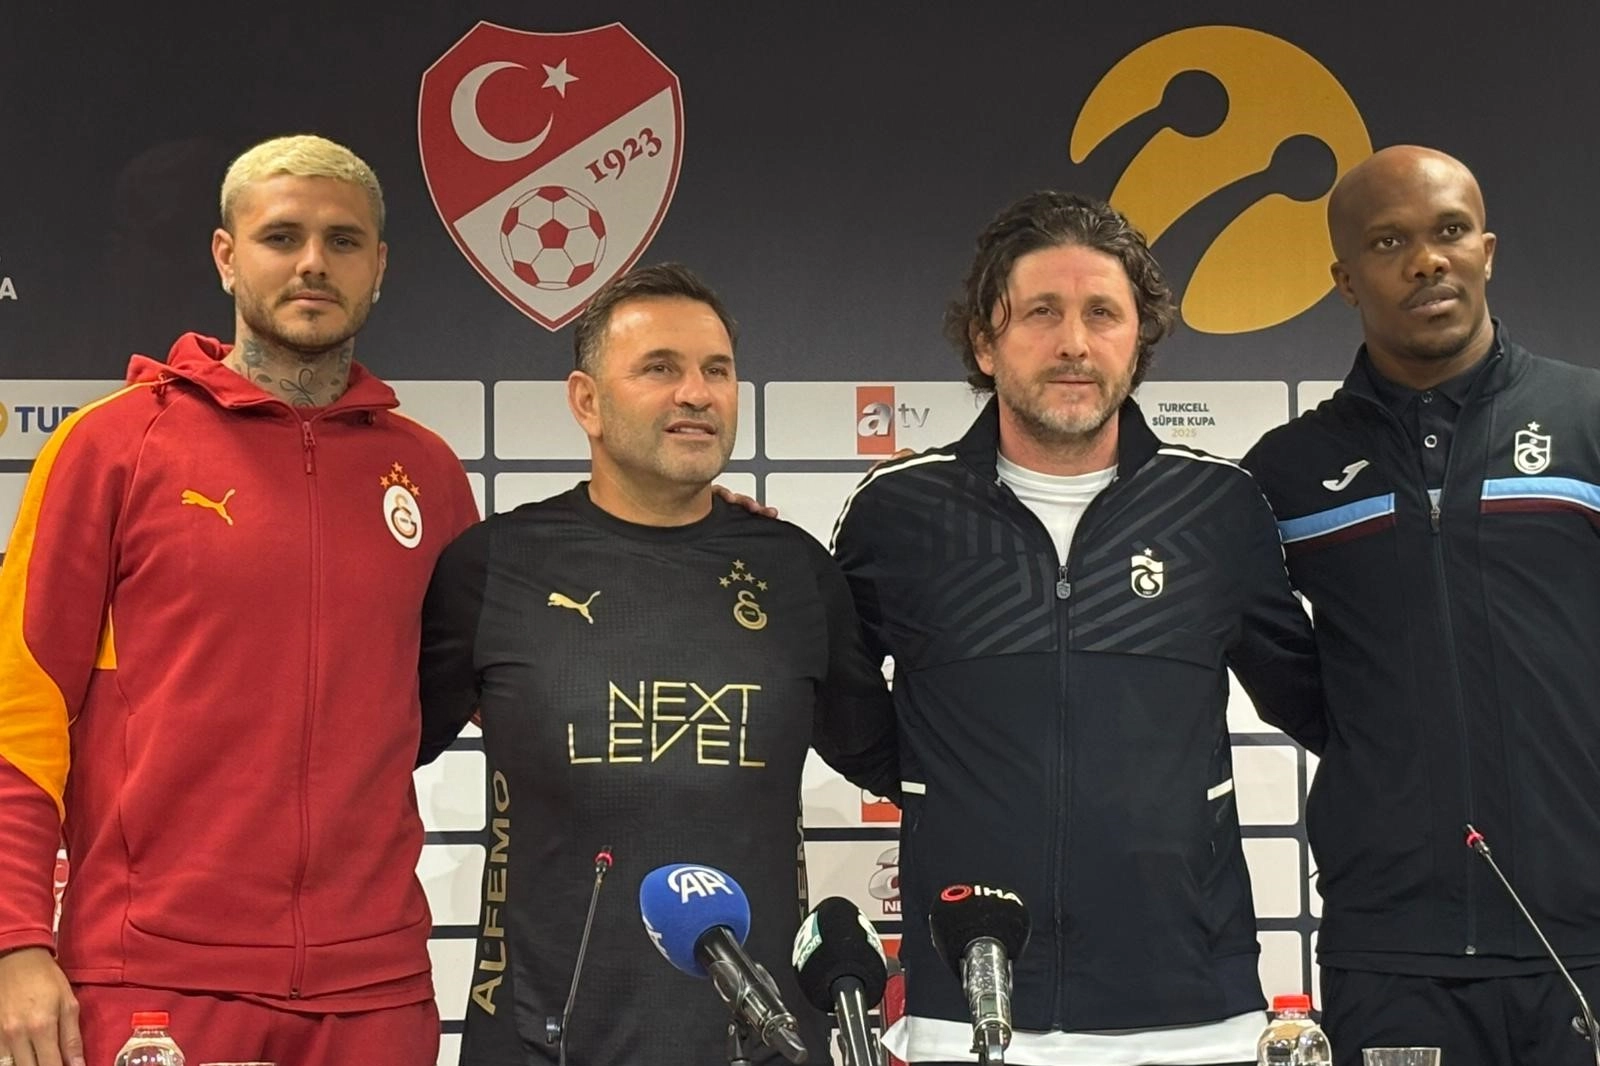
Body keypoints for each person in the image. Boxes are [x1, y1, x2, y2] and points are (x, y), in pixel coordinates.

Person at [0, 134, 479, 1066]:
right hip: (155, 977)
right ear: (227, 256)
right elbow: (22, 710)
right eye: (281, 237)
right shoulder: (111, 447)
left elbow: (476, 683)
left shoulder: (427, 472)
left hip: (374, 987)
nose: (313, 263)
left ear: (380, 267)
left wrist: (697, 529)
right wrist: (16, 940)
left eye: (344, 241)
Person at [832, 191, 1325, 1065]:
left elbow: (1311, 696)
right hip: (967, 1012)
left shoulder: (1216, 508)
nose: (1073, 343)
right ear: (985, 342)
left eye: (1102, 313)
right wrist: (948, 784)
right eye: (1041, 313)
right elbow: (834, 701)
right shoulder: (898, 514)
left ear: (1138, 340)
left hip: (1193, 1016)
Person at [415, 262, 898, 1065]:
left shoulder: (796, 571)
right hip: (539, 1047)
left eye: (717, 370)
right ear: (586, 401)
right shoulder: (492, 567)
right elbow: (368, 759)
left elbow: (896, 759)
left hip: (765, 1043)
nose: (697, 393)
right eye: (660, 369)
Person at [1242, 145, 1600, 1066]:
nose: (1427, 261)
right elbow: (1291, 680)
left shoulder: (1587, 419)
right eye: (1388, 242)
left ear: (1488, 250)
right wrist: (1391, 744)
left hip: (1588, 939)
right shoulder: (1285, 471)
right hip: (1392, 953)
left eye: (1449, 231)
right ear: (1344, 280)